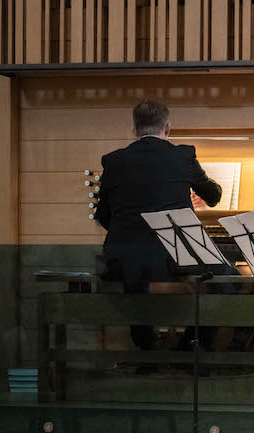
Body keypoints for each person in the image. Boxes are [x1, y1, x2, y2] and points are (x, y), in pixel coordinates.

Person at [95, 99, 222, 352]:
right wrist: (209, 185)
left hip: (122, 260)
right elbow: (213, 197)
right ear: (168, 128)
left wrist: (133, 232)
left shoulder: (113, 161)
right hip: (173, 257)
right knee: (226, 285)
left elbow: (103, 216)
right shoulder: (183, 156)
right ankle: (189, 349)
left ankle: (147, 353)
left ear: (134, 129)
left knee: (136, 285)